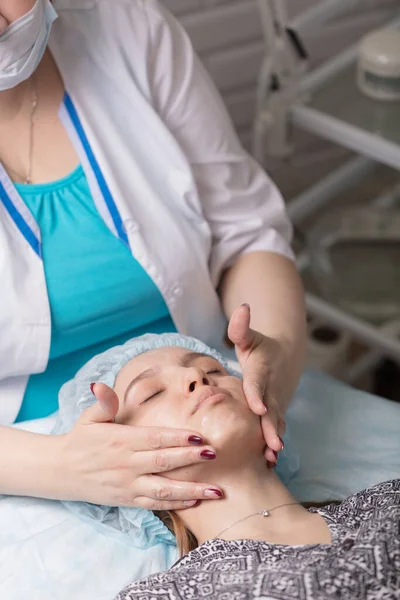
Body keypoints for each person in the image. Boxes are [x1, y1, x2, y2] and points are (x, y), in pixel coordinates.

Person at [0, 1, 306, 511]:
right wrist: (62, 469)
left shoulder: (130, 28)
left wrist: (277, 358)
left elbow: (248, 233)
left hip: (221, 389)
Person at [87, 333, 398, 600]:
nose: (197, 377)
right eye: (151, 394)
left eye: (214, 369)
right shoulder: (166, 594)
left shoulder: (387, 504)